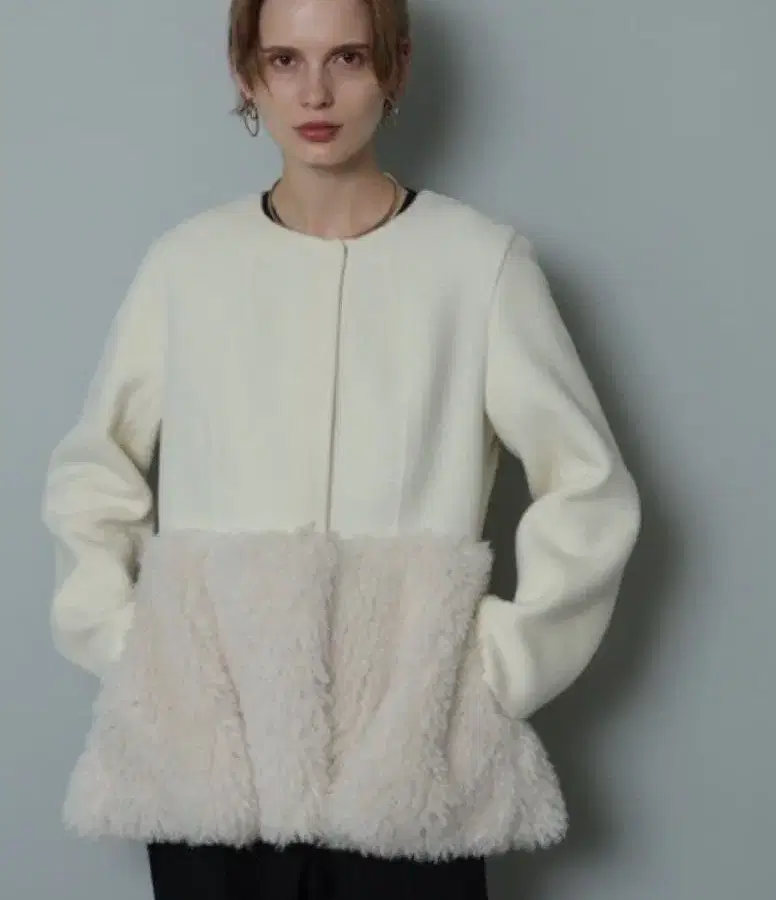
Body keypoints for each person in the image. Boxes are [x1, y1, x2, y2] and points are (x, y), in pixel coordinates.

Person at [40, 0, 642, 897]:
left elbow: (588, 489)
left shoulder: (478, 265)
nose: (315, 92)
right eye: (285, 59)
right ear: (246, 72)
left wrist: (494, 671)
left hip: (409, 775)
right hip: (217, 778)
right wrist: (144, 657)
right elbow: (93, 476)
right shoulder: (187, 266)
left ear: (395, 66)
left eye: (348, 57)